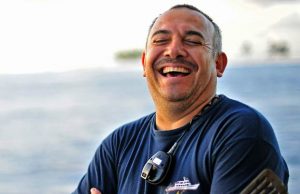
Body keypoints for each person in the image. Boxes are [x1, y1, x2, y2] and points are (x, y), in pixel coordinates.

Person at [73, 4, 289, 194]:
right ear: (144, 63)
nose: (174, 50)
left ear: (219, 64)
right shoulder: (119, 144)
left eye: (193, 41)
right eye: (161, 40)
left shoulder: (239, 131)